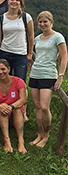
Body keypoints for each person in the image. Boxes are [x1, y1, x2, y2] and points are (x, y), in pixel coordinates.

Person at [29, 11, 67, 148]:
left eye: (45, 21)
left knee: (45, 107)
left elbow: (64, 57)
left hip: (49, 74)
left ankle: (46, 135)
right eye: (40, 22)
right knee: (37, 106)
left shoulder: (58, 37)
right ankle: (39, 134)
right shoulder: (38, 38)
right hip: (35, 73)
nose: (43, 24)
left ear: (51, 22)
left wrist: (60, 76)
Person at [0, 59, 27, 153]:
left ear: (8, 69)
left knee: (17, 109)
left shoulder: (19, 81)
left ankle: (20, 141)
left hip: (16, 113)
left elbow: (23, 99)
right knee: (3, 108)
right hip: (1, 115)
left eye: (3, 69)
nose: (0, 72)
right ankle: (7, 141)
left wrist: (12, 106)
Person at [0, 0, 34, 82]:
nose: (14, 2)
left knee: (20, 82)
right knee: (5, 80)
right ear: (8, 1)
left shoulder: (26, 17)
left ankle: (21, 97)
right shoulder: (0, 19)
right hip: (5, 53)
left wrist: (30, 53)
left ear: (20, 3)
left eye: (17, 0)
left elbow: (31, 36)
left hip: (20, 54)